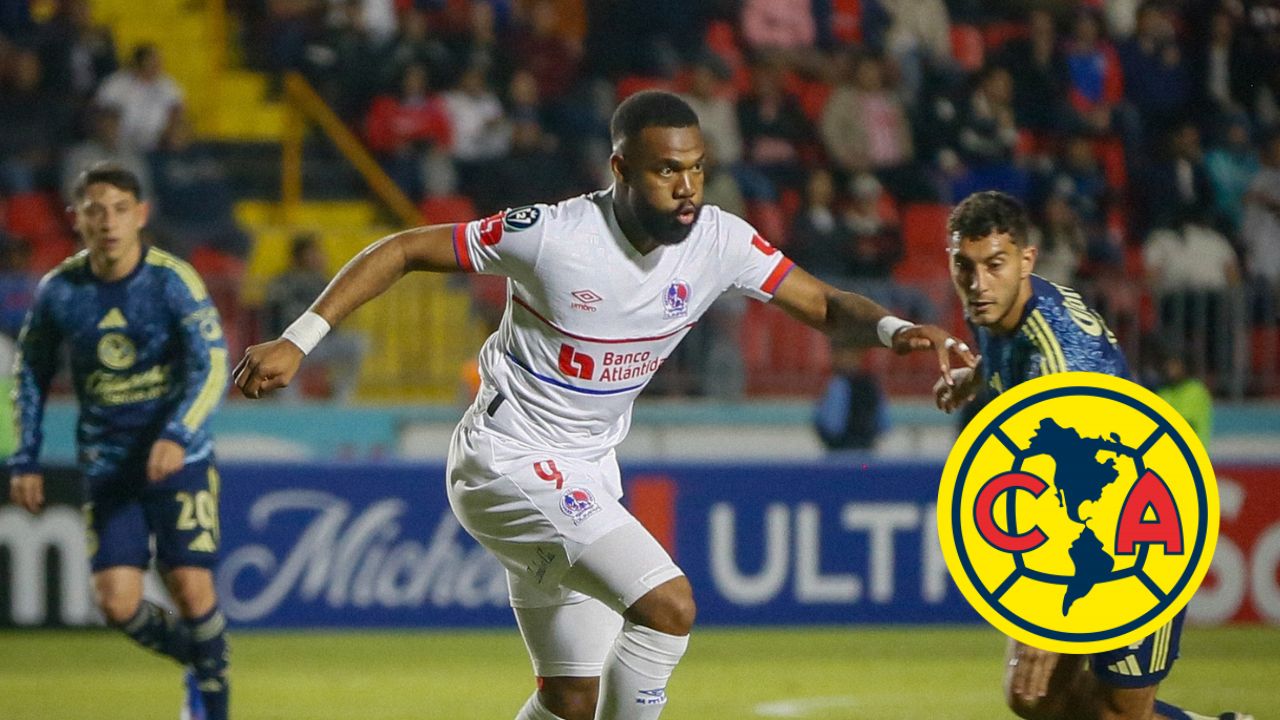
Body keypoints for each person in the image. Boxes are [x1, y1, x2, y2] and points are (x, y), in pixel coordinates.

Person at [233, 90, 974, 720]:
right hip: (507, 461)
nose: (687, 187)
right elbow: (401, 249)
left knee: (569, 700)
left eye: (696, 168)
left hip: (586, 471)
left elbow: (822, 303)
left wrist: (896, 330)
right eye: (666, 170)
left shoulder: (720, 240)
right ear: (620, 169)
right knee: (669, 608)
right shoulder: (552, 235)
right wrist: (299, 340)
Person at [934, 190, 1249, 720]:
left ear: (1026, 260)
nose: (978, 282)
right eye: (964, 266)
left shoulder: (1060, 370)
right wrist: (977, 378)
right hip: (1089, 512)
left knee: (1117, 713)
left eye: (994, 264)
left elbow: (1096, 489)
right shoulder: (1004, 307)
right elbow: (1011, 359)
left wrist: (1050, 627)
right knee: (1033, 696)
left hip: (1142, 523)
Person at [7, 163, 231, 720]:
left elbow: (212, 364)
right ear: (76, 218)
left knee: (190, 587)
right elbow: (30, 372)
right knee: (117, 603)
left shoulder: (171, 281)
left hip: (179, 459)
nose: (108, 222)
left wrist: (178, 433)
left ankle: (213, 704)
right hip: (108, 465)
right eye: (96, 211)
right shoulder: (61, 291)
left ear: (141, 215)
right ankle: (204, 660)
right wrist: (25, 455)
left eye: (120, 210)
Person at [262, 233, 368, 402]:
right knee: (286, 391)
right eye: (311, 253)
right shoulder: (282, 282)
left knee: (357, 344)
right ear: (299, 256)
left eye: (317, 253)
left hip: (321, 343)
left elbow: (335, 317)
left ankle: (341, 398)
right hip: (292, 345)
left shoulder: (324, 282)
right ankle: (289, 404)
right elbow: (273, 317)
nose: (317, 257)